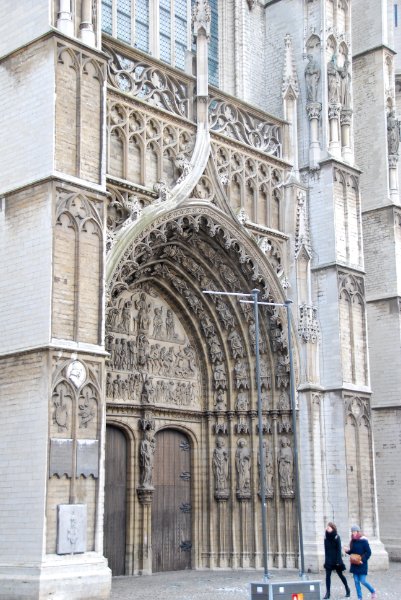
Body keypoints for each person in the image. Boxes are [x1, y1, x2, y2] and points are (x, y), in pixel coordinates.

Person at [344, 525, 377, 600]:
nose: (353, 533)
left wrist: (362, 560)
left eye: (355, 531)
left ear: (358, 532)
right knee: (356, 581)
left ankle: (373, 591)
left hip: (362, 564)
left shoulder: (364, 541)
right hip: (355, 564)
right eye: (352, 532)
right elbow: (352, 551)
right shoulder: (353, 541)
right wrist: (347, 551)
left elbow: (368, 552)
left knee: (363, 581)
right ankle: (359, 597)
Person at [323, 522, 350, 599]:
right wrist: (326, 560)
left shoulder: (337, 537)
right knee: (327, 576)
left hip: (336, 559)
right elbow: (326, 550)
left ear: (333, 528)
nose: (327, 529)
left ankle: (347, 588)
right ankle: (327, 593)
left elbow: (338, 550)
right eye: (327, 527)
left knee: (340, 575)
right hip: (329, 559)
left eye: (329, 527)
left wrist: (338, 561)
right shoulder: (325, 537)